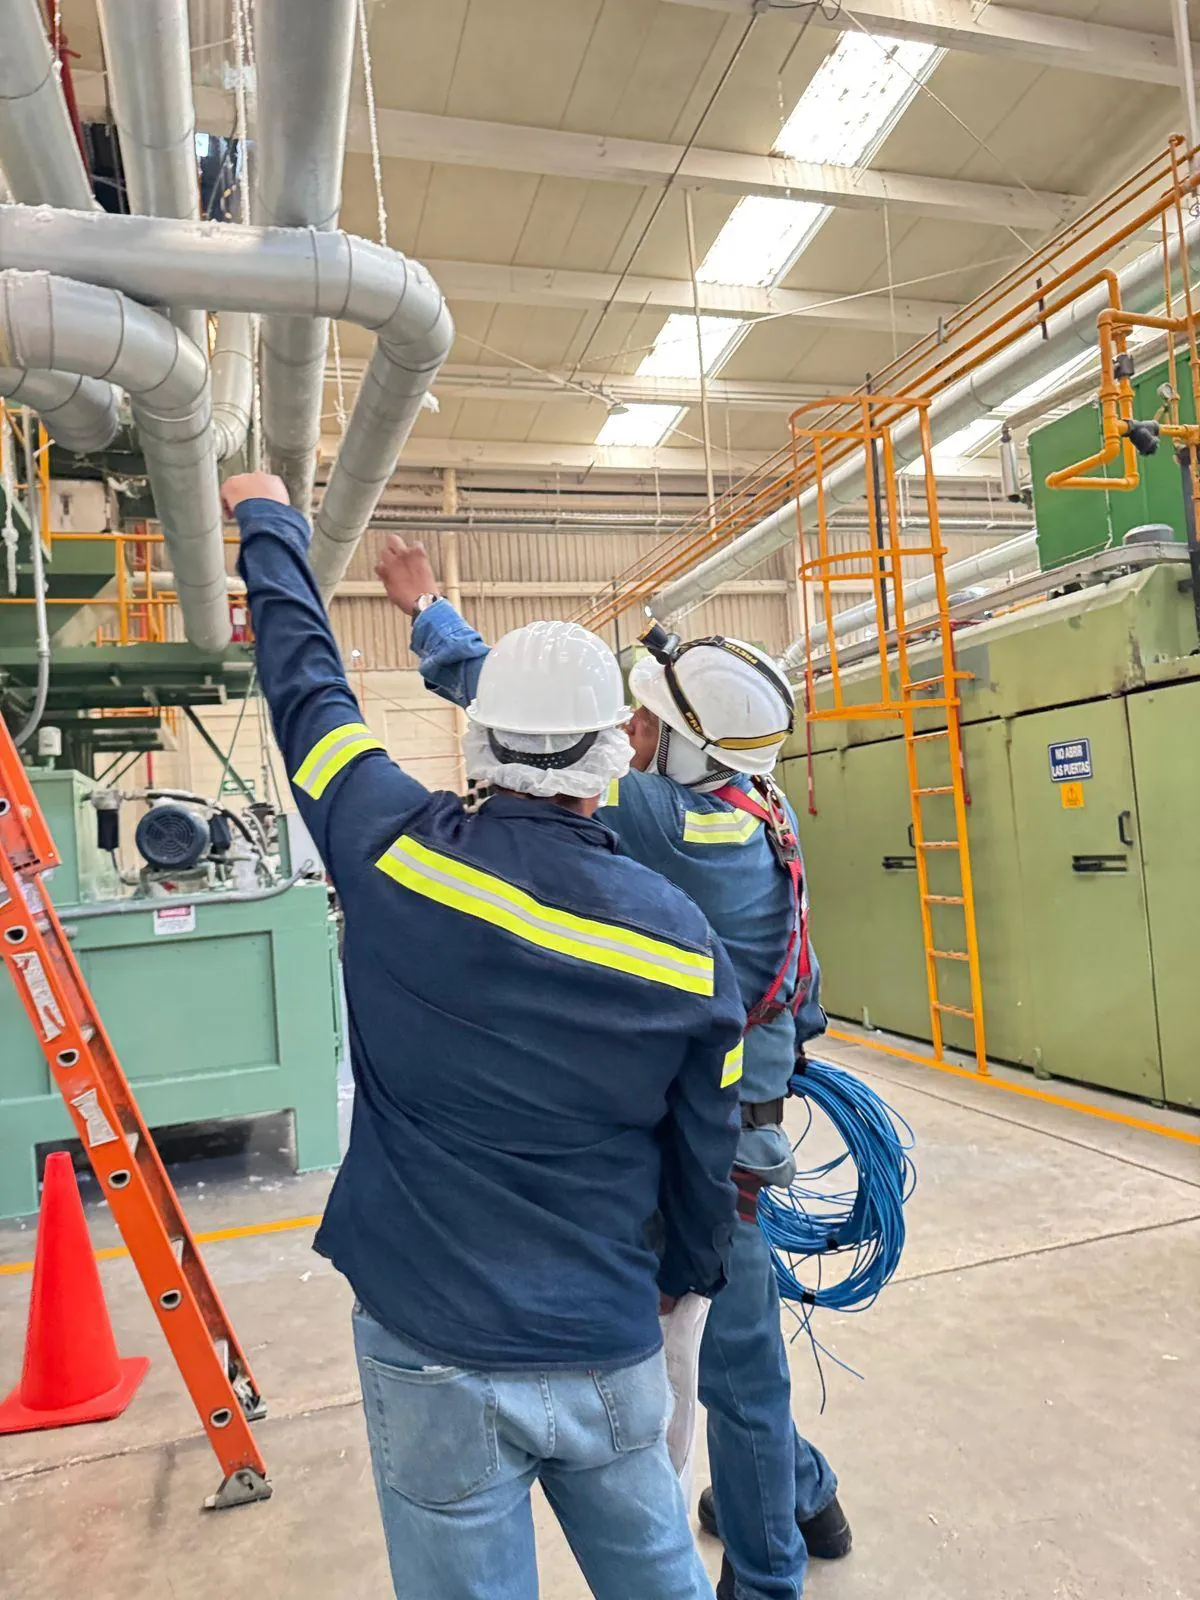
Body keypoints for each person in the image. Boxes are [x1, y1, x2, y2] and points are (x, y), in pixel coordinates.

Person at [223, 473, 746, 1600]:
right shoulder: (685, 947)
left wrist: (268, 521)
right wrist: (681, 1277)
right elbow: (706, 1155)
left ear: (479, 730)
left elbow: (306, 691)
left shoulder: (388, 851)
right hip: (606, 1335)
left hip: (432, 1340)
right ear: (616, 750)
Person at [382, 535, 851, 1600]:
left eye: (646, 723)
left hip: (712, 1149)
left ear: (682, 750)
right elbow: (802, 995)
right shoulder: (756, 812)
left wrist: (428, 609)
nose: (627, 733)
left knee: (732, 1366)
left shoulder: (666, 821)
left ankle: (770, 1574)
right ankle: (800, 1494)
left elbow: (537, 723)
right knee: (736, 1342)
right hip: (748, 1119)